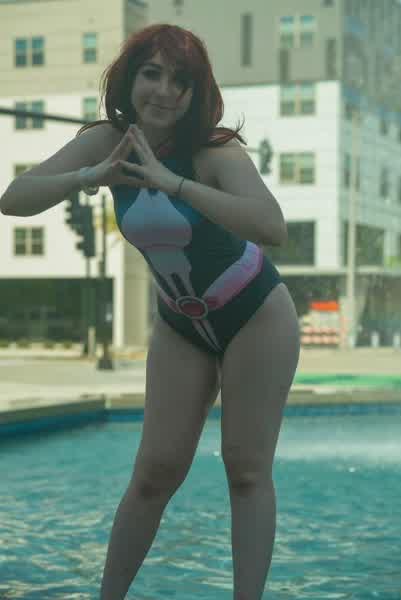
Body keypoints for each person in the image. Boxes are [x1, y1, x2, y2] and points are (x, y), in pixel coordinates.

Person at [0, 23, 300, 600]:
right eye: (152, 74)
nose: (165, 91)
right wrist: (89, 176)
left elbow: (272, 227)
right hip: (181, 323)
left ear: (196, 93)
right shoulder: (107, 140)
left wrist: (174, 184)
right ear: (129, 79)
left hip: (255, 313)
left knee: (245, 468)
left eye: (180, 81)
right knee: (153, 474)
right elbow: (13, 200)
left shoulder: (215, 150)